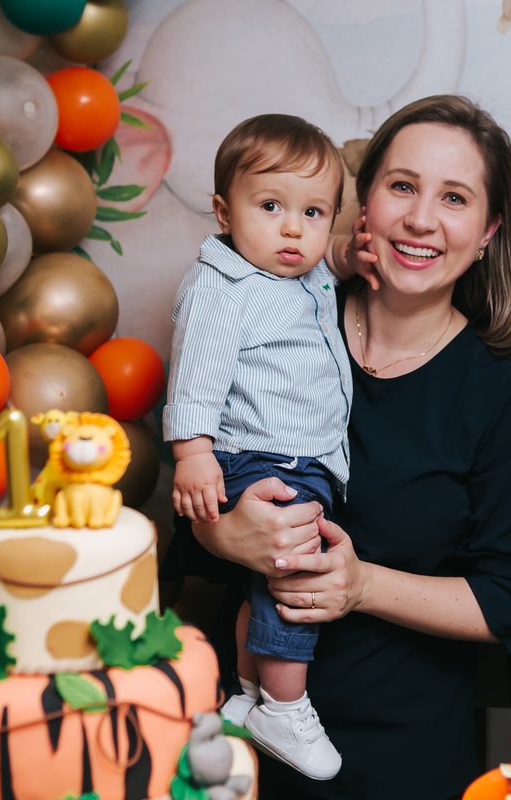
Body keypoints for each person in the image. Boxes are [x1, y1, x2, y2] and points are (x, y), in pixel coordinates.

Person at [164, 95, 511, 800]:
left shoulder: (496, 392)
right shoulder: (270, 317)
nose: (421, 219)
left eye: (454, 198)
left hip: (400, 760)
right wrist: (225, 535)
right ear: (364, 203)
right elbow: (192, 504)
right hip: (237, 756)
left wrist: (362, 587)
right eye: (402, 186)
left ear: (487, 232)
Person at [163, 114, 350, 779]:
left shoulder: (304, 273)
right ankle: (285, 706)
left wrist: (350, 255)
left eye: (313, 213)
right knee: (296, 572)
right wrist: (193, 454)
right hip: (263, 458)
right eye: (270, 207)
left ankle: (246, 696)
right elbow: (197, 375)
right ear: (224, 212)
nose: (293, 229)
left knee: (261, 581)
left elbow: (329, 266)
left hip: (296, 455)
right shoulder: (224, 286)